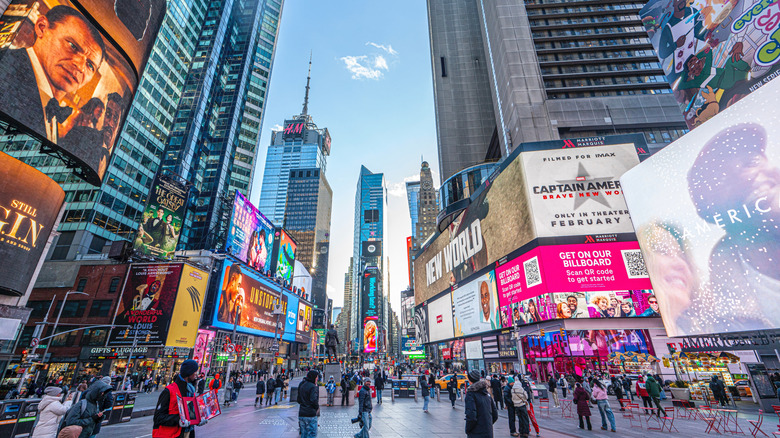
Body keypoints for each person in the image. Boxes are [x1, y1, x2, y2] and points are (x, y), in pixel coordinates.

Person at [152, 360, 207, 437]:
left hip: (188, 433)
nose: (196, 374)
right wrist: (178, 420)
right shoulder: (169, 391)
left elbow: (190, 414)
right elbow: (158, 417)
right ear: (189, 373)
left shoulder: (191, 390)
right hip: (172, 434)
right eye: (195, 372)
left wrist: (198, 419)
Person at [464, 370, 498, 438]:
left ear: (470, 380)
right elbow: (495, 414)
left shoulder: (471, 394)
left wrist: (468, 429)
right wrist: (487, 425)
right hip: (488, 432)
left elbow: (471, 416)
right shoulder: (486, 393)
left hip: (476, 433)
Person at [297, 370, 319, 438]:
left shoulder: (302, 385)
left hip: (302, 413)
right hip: (310, 414)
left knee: (304, 434)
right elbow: (314, 400)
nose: (317, 379)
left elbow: (298, 400)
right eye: (316, 377)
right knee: (312, 434)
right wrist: (316, 407)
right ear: (313, 377)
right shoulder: (313, 387)